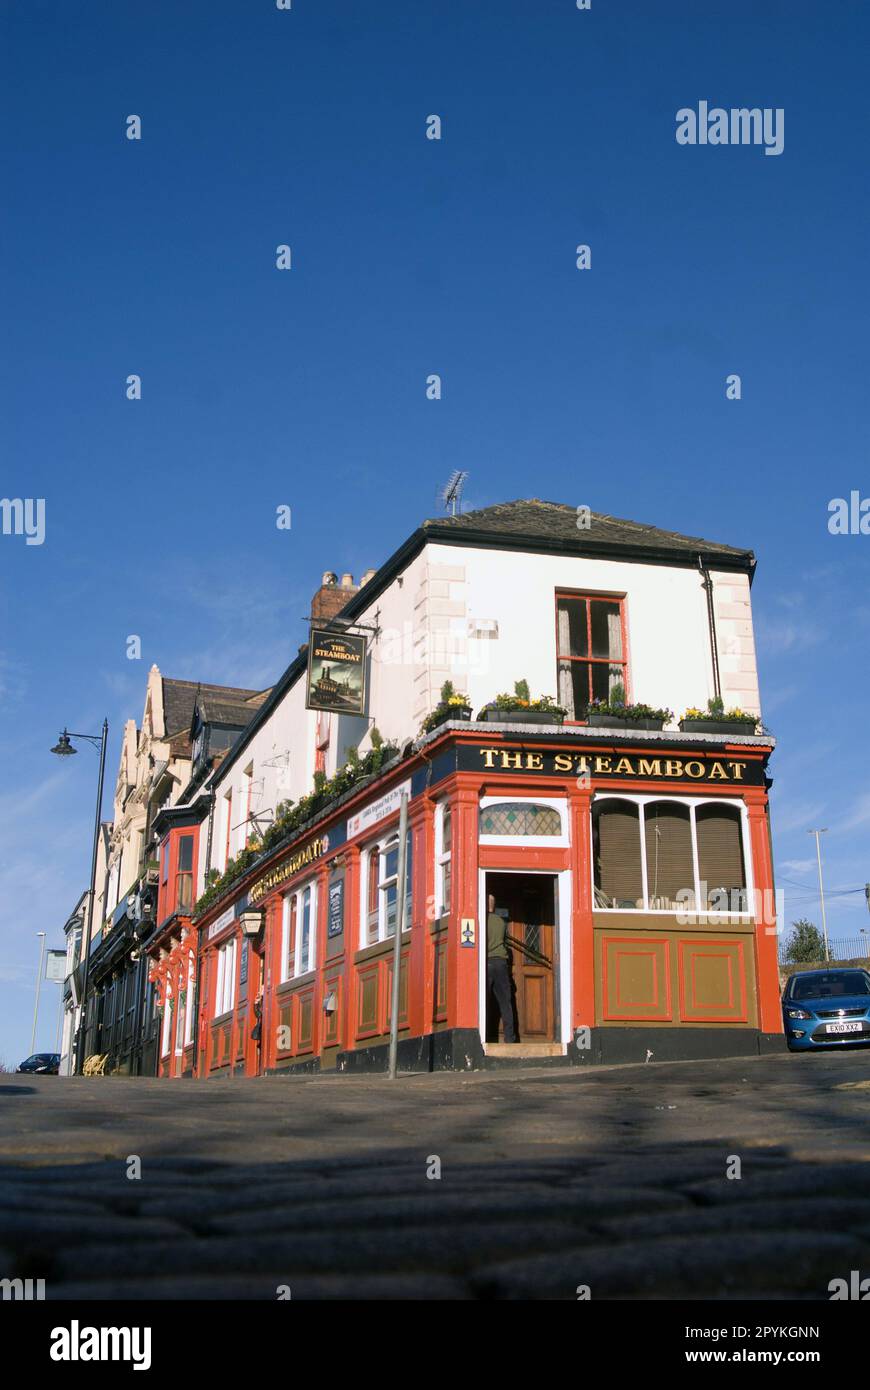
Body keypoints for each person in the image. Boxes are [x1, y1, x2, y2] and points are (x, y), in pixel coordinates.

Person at [486, 893, 517, 1043]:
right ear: (494, 905)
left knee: (483, 1001)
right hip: (501, 963)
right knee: (506, 1002)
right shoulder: (501, 921)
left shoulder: (481, 919)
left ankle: (484, 1035)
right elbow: (504, 940)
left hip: (486, 962)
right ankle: (510, 1038)